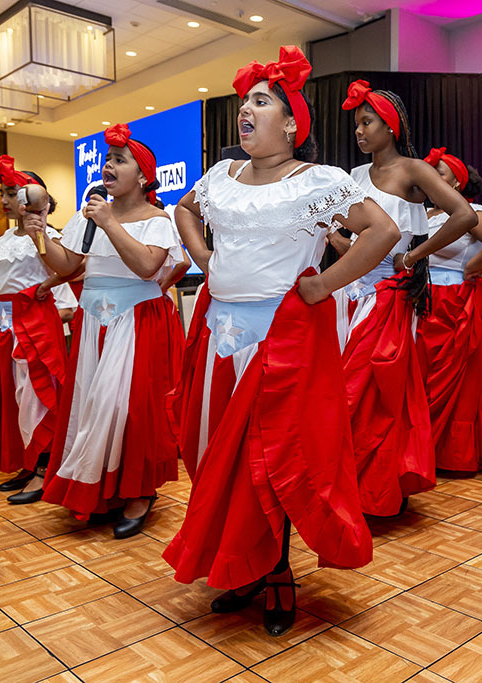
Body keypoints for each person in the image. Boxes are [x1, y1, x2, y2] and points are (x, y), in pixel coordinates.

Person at [164, 46, 398, 636]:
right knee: (219, 457)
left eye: (261, 102)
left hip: (281, 341)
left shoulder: (317, 182)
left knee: (273, 460)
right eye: (244, 102)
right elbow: (184, 212)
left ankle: (277, 574)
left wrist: (322, 284)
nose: (245, 109)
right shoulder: (221, 177)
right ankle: (243, 563)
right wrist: (206, 259)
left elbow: (382, 231)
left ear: (293, 124)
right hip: (218, 336)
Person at [32, 123, 188, 537]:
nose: (108, 166)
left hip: (136, 321)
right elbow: (68, 266)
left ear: (143, 176)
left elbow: (147, 266)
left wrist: (109, 223)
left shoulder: (157, 219)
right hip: (93, 322)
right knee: (91, 404)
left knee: (130, 409)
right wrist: (39, 238)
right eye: (107, 159)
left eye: (120, 160)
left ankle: (140, 491)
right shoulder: (89, 215)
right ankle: (103, 489)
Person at [332, 80, 477, 516]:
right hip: (349, 293)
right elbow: (348, 238)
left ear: (390, 126)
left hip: (389, 295)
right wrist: (335, 241)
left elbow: (464, 215)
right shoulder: (354, 176)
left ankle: (377, 486)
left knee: (373, 393)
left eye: (366, 122)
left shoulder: (413, 170)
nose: (359, 131)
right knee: (346, 392)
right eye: (356, 124)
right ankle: (352, 486)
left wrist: (413, 255)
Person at [0, 156, 77, 502]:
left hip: (34, 323)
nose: (4, 199)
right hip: (3, 324)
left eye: (11, 192)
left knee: (36, 395)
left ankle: (45, 468)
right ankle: (28, 462)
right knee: (14, 396)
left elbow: (66, 278)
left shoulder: (47, 236)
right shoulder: (0, 240)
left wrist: (42, 290)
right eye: (2, 192)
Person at [420, 147, 482, 473]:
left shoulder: (471, 211)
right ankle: (423, 447)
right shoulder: (422, 215)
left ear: (457, 183)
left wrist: (473, 268)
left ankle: (453, 452)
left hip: (453, 302)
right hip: (424, 301)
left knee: (457, 381)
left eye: (439, 174)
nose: (432, 179)